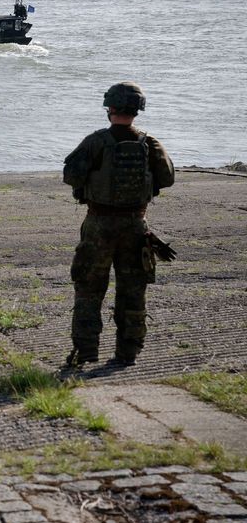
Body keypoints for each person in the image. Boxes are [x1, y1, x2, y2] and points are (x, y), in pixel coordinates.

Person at [62, 82, 175, 369]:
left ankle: (85, 351)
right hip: (137, 226)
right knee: (133, 290)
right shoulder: (151, 143)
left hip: (99, 224)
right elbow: (167, 178)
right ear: (138, 110)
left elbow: (71, 175)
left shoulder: (95, 141)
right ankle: (129, 352)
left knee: (88, 288)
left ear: (109, 108)